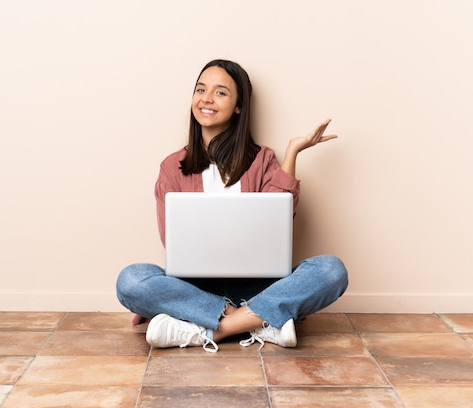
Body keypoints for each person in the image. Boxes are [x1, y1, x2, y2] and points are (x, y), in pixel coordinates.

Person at [116, 59, 348, 353]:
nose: (206, 99)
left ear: (239, 106)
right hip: (194, 289)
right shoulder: (172, 167)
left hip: (259, 286)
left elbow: (277, 223)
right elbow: (172, 242)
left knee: (331, 270)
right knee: (131, 280)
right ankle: (260, 322)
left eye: (221, 92)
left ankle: (206, 330)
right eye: (200, 89)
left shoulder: (262, 159)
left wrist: (292, 153)